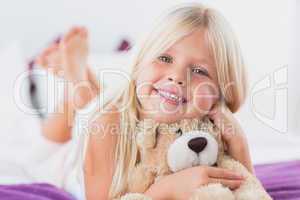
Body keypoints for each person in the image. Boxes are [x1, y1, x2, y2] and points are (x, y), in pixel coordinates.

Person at [37, 3, 253, 200]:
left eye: (199, 71)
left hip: (114, 105)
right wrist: (168, 189)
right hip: (69, 159)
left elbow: (249, 190)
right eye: (165, 58)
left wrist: (239, 143)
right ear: (140, 61)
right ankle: (76, 80)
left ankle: (89, 87)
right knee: (67, 124)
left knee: (99, 100)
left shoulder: (215, 127)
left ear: (219, 93)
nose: (177, 76)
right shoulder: (105, 124)